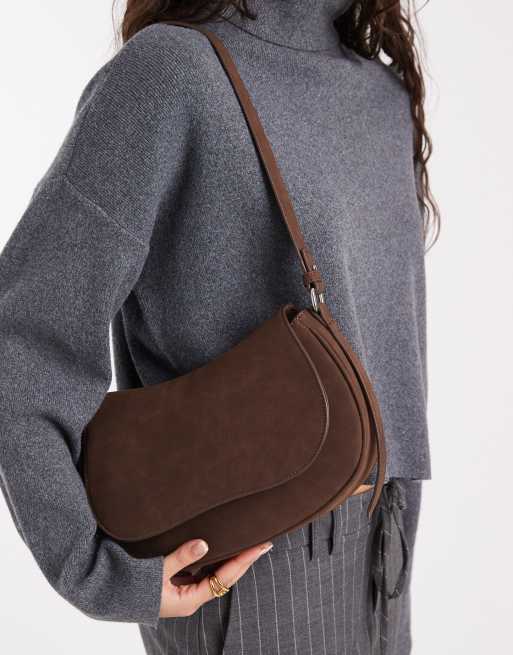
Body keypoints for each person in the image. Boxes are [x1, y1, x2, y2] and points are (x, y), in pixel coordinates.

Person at [0, 1, 438, 653]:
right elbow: (24, 335)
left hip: (386, 555)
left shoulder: (382, 93)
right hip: (249, 567)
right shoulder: (172, 74)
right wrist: (95, 571)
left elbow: (396, 361)